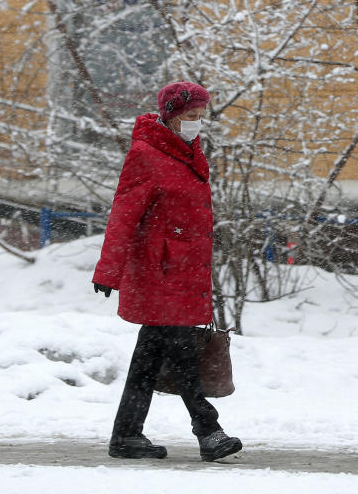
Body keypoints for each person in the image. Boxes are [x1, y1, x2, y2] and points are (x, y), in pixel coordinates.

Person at [92, 81, 242, 462]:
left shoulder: (188, 152)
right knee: (180, 349)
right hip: (158, 271)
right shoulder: (146, 153)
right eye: (190, 116)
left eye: (200, 116)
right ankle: (208, 429)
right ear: (172, 116)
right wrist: (109, 270)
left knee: (150, 354)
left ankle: (126, 435)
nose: (197, 123)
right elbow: (124, 212)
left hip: (183, 270)